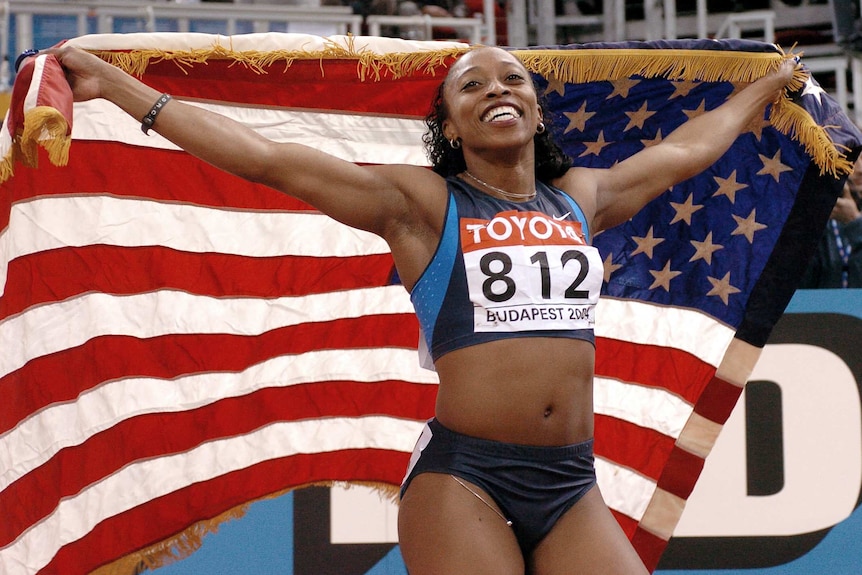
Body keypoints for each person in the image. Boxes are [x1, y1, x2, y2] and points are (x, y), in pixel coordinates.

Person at [43, 43, 796, 574]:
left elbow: (691, 150)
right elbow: (266, 160)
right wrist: (121, 89)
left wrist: (766, 88)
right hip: (464, 477)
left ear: (536, 110)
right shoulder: (419, 205)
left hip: (569, 481)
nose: (497, 89)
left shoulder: (584, 197)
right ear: (451, 126)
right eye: (473, 87)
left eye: (512, 79)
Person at [799, 155, 862, 288]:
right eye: (854, 160)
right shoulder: (819, 222)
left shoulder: (853, 221)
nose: (860, 169)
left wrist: (854, 222)